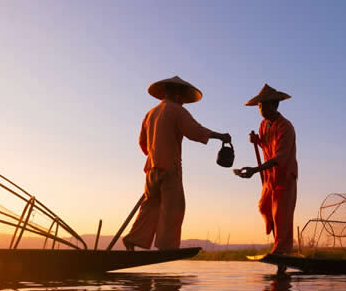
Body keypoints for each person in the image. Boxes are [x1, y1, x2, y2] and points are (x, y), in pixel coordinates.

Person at [123, 76, 231, 251]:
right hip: (169, 168)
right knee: (173, 207)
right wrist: (220, 136)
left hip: (152, 168)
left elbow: (142, 142)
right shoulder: (176, 111)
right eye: (182, 95)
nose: (183, 100)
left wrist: (154, 154)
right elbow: (195, 131)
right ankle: (167, 246)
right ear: (176, 93)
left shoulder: (151, 113)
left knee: (150, 206)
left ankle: (133, 239)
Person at [234, 84, 297, 255]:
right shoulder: (263, 125)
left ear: (275, 105)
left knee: (281, 215)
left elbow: (279, 157)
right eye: (259, 106)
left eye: (264, 105)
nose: (260, 109)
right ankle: (273, 228)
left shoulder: (286, 127)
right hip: (269, 176)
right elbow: (267, 144)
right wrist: (257, 140)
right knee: (263, 207)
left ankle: (281, 250)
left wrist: (255, 170)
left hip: (284, 177)